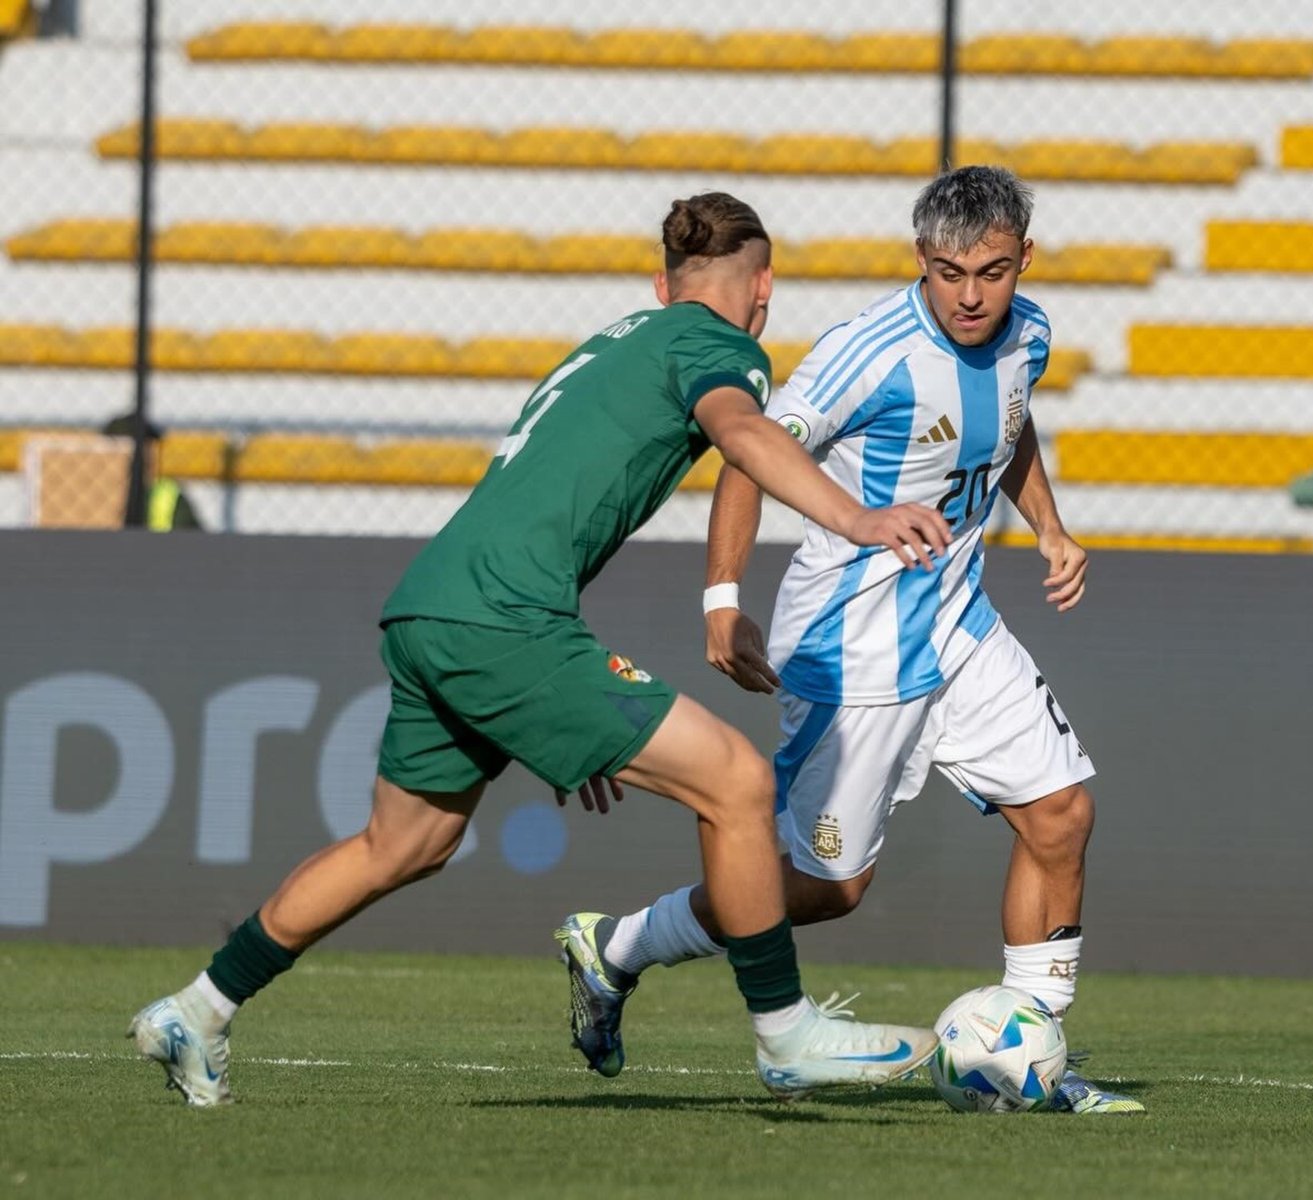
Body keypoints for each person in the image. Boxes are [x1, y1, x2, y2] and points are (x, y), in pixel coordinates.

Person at [128, 192, 951, 1107]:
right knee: (739, 782)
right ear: (764, 287)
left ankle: (197, 1009)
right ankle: (787, 1035)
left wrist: (562, 716)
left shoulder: (614, 342)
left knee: (405, 844)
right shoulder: (723, 350)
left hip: (434, 608)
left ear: (661, 282)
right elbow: (745, 437)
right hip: (504, 622)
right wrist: (858, 517)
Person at [557, 167, 1142, 1115]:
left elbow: (1011, 430)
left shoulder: (1028, 332)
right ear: (922, 259)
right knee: (828, 891)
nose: (969, 294)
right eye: (949, 272)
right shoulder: (864, 353)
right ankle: (616, 946)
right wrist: (720, 598)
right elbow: (750, 453)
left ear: (1023, 260)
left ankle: (1035, 1056)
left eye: (991, 272)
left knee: (1062, 815)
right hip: (852, 642)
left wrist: (1051, 529)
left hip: (957, 623)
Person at [101, 412, 204, 531]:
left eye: (150, 447)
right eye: (144, 448)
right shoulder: (90, 493)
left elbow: (196, 541)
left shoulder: (166, 495)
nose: (151, 455)